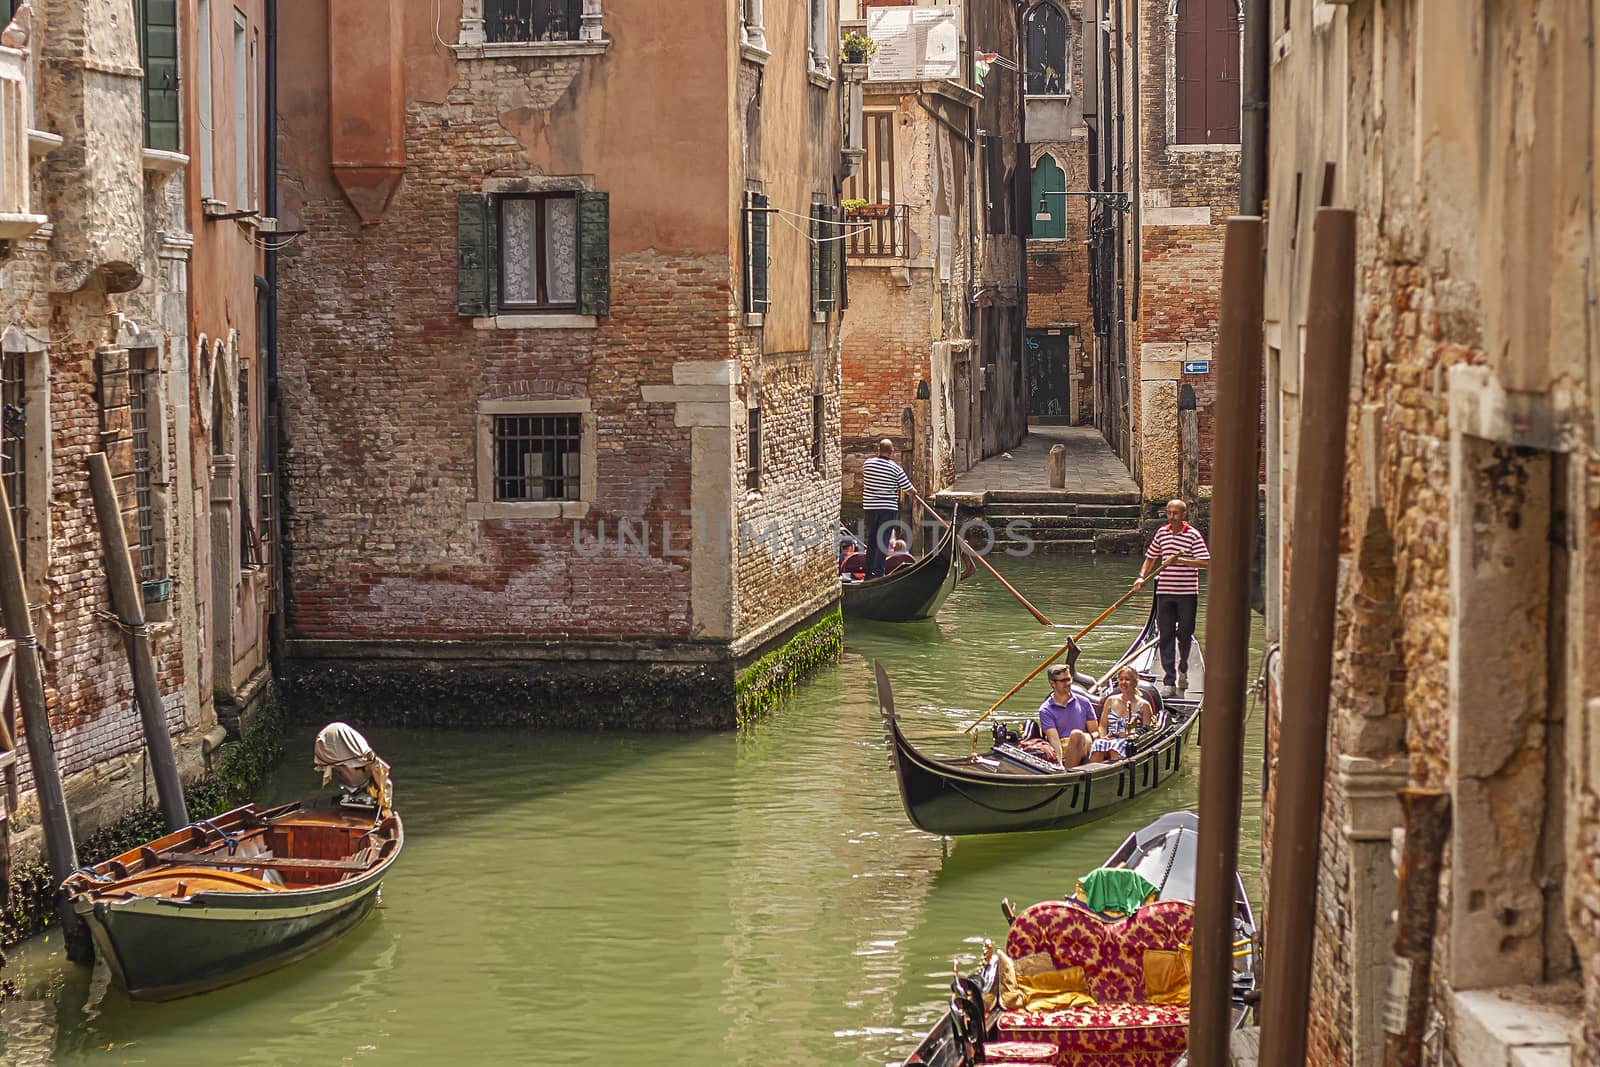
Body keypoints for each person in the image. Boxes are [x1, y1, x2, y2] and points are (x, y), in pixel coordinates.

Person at [1133, 498, 1210, 697]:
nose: (1172, 517)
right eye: (1169, 513)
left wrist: (1181, 560)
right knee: (1165, 636)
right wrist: (1142, 577)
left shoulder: (1192, 535)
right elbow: (1150, 558)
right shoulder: (1162, 533)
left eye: (1176, 513)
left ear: (1184, 515)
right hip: (1165, 593)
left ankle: (1183, 667)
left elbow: (1206, 562)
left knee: (1184, 635)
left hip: (1187, 594)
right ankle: (1169, 680)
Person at [861, 439, 913, 579]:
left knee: (872, 539)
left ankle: (868, 573)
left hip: (870, 507)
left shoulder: (867, 464)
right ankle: (879, 573)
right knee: (883, 540)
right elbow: (908, 489)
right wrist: (914, 493)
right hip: (887, 509)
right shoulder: (896, 469)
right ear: (892, 452)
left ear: (878, 450)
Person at [1089, 667, 1155, 763]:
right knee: (1099, 744)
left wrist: (1129, 735)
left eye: (1127, 679)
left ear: (1135, 682)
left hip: (1130, 742)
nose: (1124, 682)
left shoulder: (1144, 705)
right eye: (1121, 679)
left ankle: (1114, 772)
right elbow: (1103, 725)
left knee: (1115, 748)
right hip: (1110, 738)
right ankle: (1090, 772)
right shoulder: (1110, 700)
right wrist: (1103, 736)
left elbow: (1147, 729)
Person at [1038, 663, 1098, 767]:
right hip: (1062, 746)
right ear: (1052, 683)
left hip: (1084, 742)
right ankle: (1064, 771)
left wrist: (1087, 736)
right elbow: (1054, 740)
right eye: (1063, 681)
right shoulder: (1045, 710)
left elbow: (1095, 732)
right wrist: (1059, 763)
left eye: (1069, 679)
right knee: (1074, 736)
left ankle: (1069, 770)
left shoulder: (1084, 702)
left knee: (1076, 735)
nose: (1068, 683)